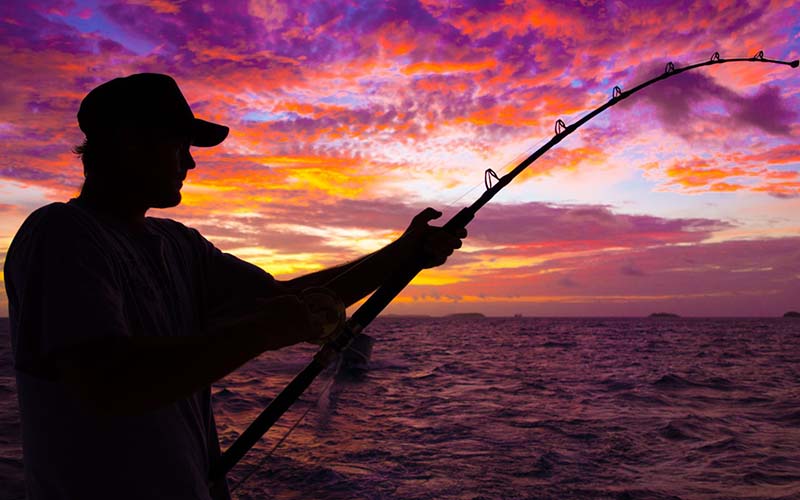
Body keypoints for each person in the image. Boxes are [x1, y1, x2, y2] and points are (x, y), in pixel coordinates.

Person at [3, 73, 466, 500]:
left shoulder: (179, 244)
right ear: (129, 142)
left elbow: (290, 301)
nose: (190, 163)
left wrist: (401, 255)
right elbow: (109, 384)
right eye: (181, 145)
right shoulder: (61, 234)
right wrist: (256, 335)